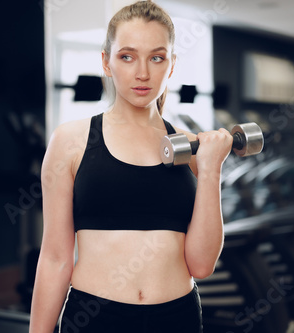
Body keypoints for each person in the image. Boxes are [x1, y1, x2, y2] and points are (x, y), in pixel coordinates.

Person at [29, 1, 233, 332]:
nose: (142, 73)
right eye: (127, 56)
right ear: (106, 62)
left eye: (157, 57)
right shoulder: (71, 141)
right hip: (95, 319)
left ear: (172, 64)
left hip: (176, 318)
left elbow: (202, 264)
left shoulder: (191, 147)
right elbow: (55, 257)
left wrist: (211, 171)